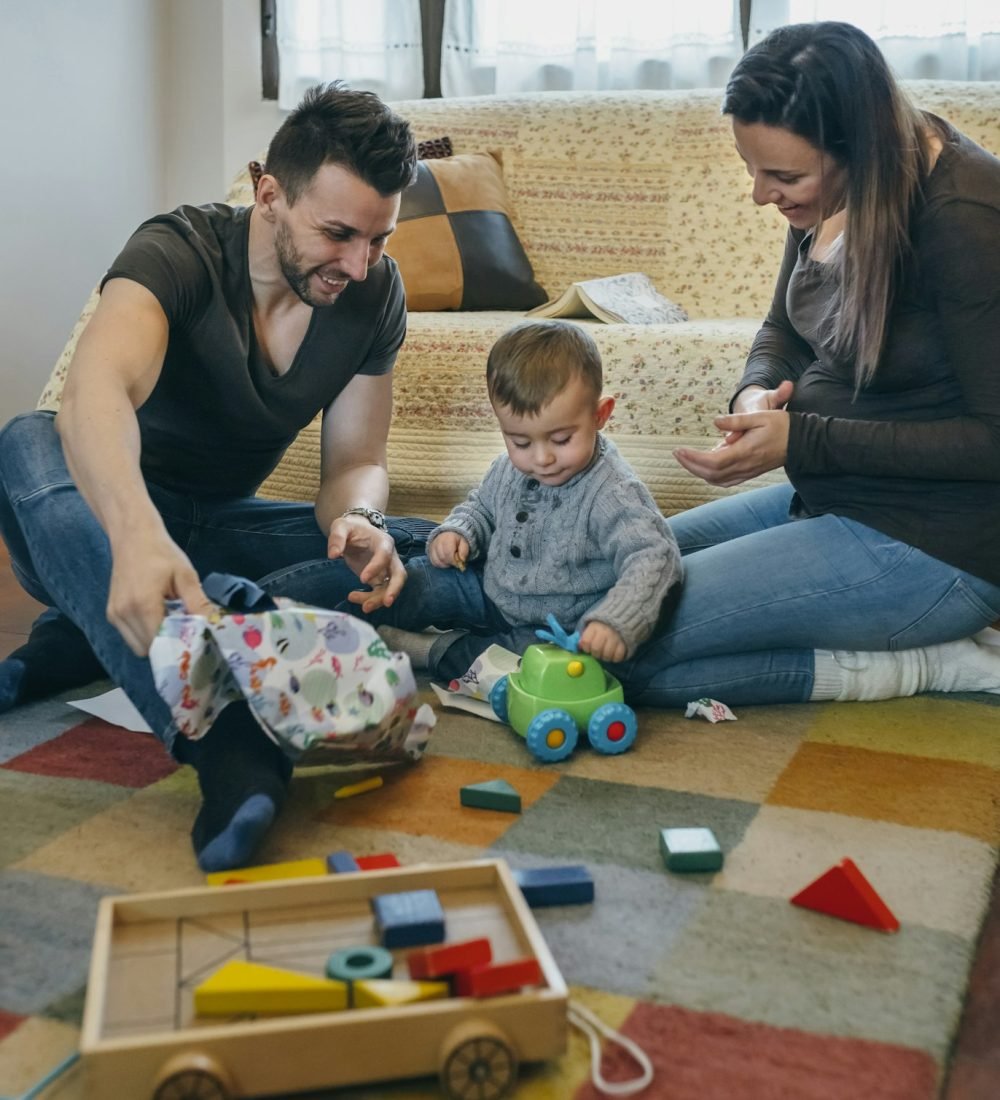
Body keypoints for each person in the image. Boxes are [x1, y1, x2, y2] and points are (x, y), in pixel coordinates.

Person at [0, 83, 433, 871]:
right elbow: (92, 388)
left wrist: (362, 521)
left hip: (218, 528)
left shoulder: (375, 295)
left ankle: (80, 637)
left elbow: (356, 464)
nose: (359, 263)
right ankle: (229, 741)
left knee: (424, 544)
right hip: (107, 514)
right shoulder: (180, 249)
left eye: (379, 239)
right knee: (24, 441)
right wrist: (134, 533)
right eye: (338, 234)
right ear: (268, 193)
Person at [612, 20, 1000, 707]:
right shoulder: (835, 196)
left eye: (783, 175)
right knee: (607, 585)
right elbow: (783, 329)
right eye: (751, 169)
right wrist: (758, 390)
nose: (762, 195)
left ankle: (928, 663)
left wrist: (803, 437)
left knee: (620, 645)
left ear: (860, 149)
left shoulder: (966, 215)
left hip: (938, 546)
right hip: (828, 494)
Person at [344, 319, 683, 677]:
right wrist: (458, 532)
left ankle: (431, 650)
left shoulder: (612, 491)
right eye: (521, 442)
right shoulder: (508, 469)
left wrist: (616, 621)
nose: (541, 459)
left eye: (562, 439)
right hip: (491, 592)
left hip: (555, 630)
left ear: (600, 415)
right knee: (420, 581)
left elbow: (655, 555)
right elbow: (481, 508)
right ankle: (342, 631)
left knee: (514, 665)